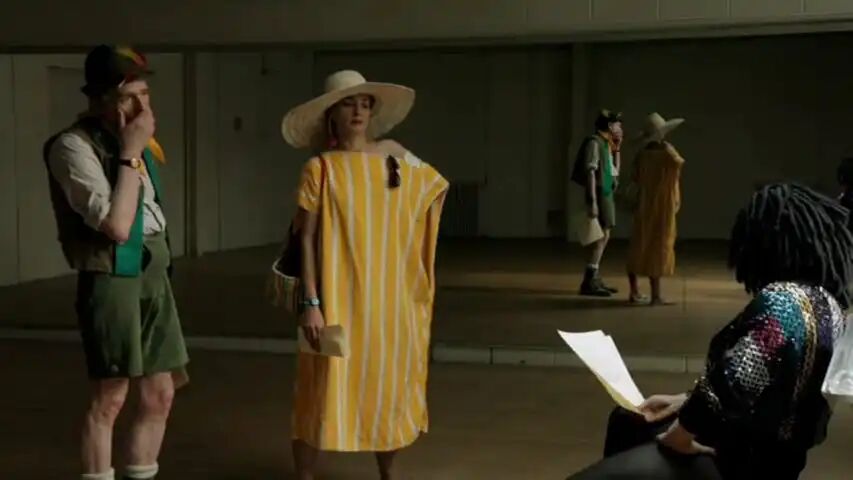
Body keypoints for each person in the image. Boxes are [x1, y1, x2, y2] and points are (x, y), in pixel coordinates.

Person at [568, 183, 853, 480]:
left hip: (740, 460)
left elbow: (740, 378)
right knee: (628, 419)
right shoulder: (829, 305)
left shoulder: (784, 302)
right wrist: (684, 399)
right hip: (779, 458)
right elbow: (770, 385)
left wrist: (680, 435)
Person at [280, 70, 449, 480]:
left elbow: (435, 188)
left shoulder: (395, 159)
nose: (357, 111)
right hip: (337, 299)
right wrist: (311, 302)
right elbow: (306, 238)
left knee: (388, 388)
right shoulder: (320, 169)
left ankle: (388, 473)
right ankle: (304, 475)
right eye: (347, 104)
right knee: (319, 389)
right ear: (331, 114)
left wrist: (398, 155)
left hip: (391, 302)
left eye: (364, 103)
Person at [43, 45, 189, 480]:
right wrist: (130, 153)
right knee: (111, 397)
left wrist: (134, 148)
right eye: (129, 97)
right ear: (101, 99)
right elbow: (118, 226)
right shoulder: (72, 145)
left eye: (145, 94)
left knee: (161, 392)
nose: (142, 108)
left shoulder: (135, 142)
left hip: (153, 271)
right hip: (111, 273)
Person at [625, 113, 685, 305]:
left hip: (644, 203)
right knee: (658, 245)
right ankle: (656, 295)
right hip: (662, 205)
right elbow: (678, 164)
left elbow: (635, 177)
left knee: (639, 244)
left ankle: (634, 291)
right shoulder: (667, 153)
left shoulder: (642, 154)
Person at [570, 110, 623, 297]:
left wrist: (617, 148)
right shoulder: (594, 142)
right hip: (599, 193)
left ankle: (594, 275)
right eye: (617, 124)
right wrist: (592, 201)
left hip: (606, 191)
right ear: (609, 126)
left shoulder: (607, 144)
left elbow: (615, 172)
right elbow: (591, 172)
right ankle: (589, 279)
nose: (620, 128)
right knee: (600, 236)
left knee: (604, 234)